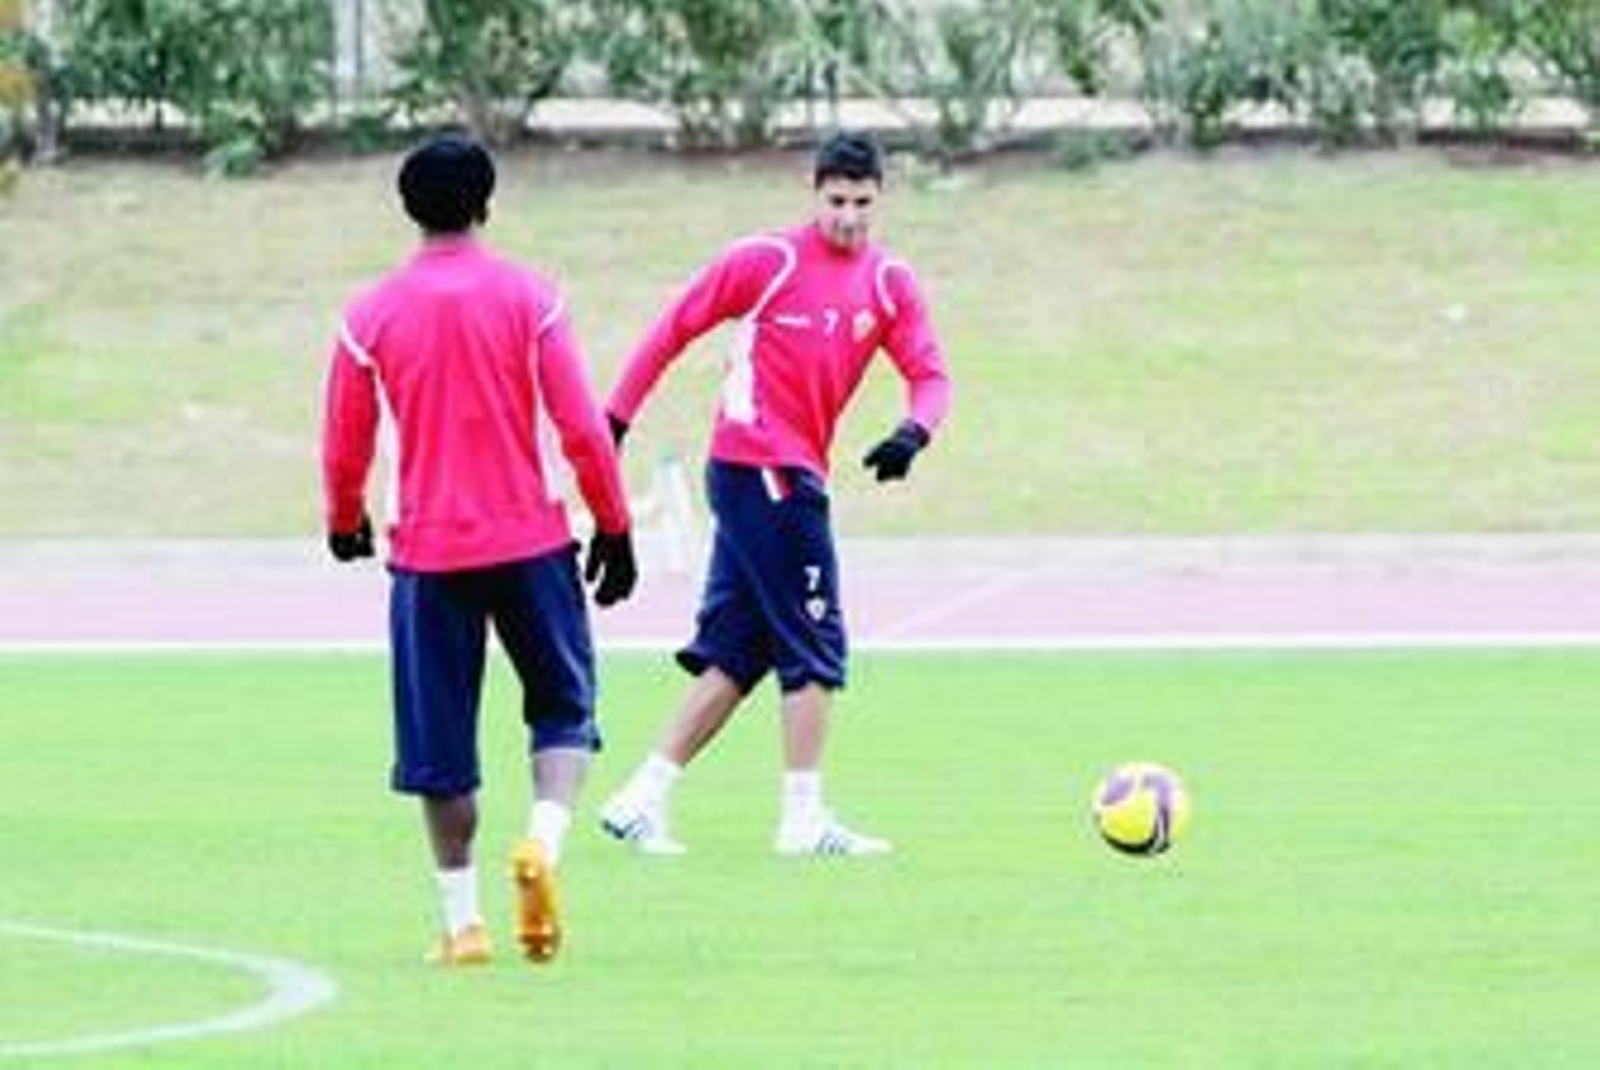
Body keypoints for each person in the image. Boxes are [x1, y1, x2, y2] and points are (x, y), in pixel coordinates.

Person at [321, 133, 637, 965]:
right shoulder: (532, 299)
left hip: (427, 555)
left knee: (440, 748)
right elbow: (580, 424)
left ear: (408, 208)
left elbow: (346, 439)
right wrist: (613, 522)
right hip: (531, 541)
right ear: (486, 204)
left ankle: (463, 925)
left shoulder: (369, 315)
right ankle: (542, 843)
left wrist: (344, 516)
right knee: (564, 708)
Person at [598, 130, 952, 858]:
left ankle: (640, 799)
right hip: (761, 468)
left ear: (880, 199)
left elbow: (931, 376)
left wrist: (912, 433)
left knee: (741, 649)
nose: (848, 217)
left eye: (862, 203)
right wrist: (615, 420)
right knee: (816, 641)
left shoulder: (890, 282)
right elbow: (673, 329)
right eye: (836, 201)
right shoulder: (767, 262)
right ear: (813, 193)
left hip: (785, 474)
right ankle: (803, 821)